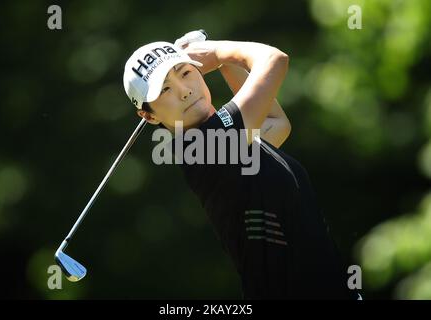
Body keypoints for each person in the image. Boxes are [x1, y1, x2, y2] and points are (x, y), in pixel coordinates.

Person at [123, 36, 358, 299]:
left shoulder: (229, 144)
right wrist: (217, 50)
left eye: (186, 73)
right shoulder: (204, 147)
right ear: (149, 115)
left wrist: (223, 61)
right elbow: (274, 59)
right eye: (165, 89)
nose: (184, 90)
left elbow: (275, 122)